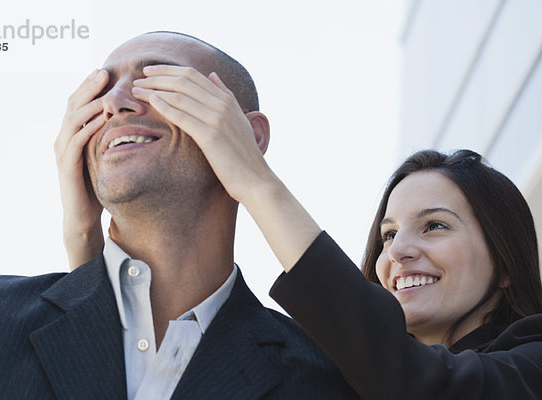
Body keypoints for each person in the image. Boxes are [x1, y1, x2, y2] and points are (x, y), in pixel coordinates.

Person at [63, 71, 542, 397]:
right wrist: (84, 242)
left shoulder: (531, 366)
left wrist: (253, 180)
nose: (399, 252)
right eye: (388, 234)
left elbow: (419, 385)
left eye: (434, 226)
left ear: (504, 261)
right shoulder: (318, 376)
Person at [0, 32, 356, 399]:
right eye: (98, 93)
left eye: (157, 80)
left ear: (251, 135)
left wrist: (258, 182)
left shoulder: (330, 377)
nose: (114, 103)